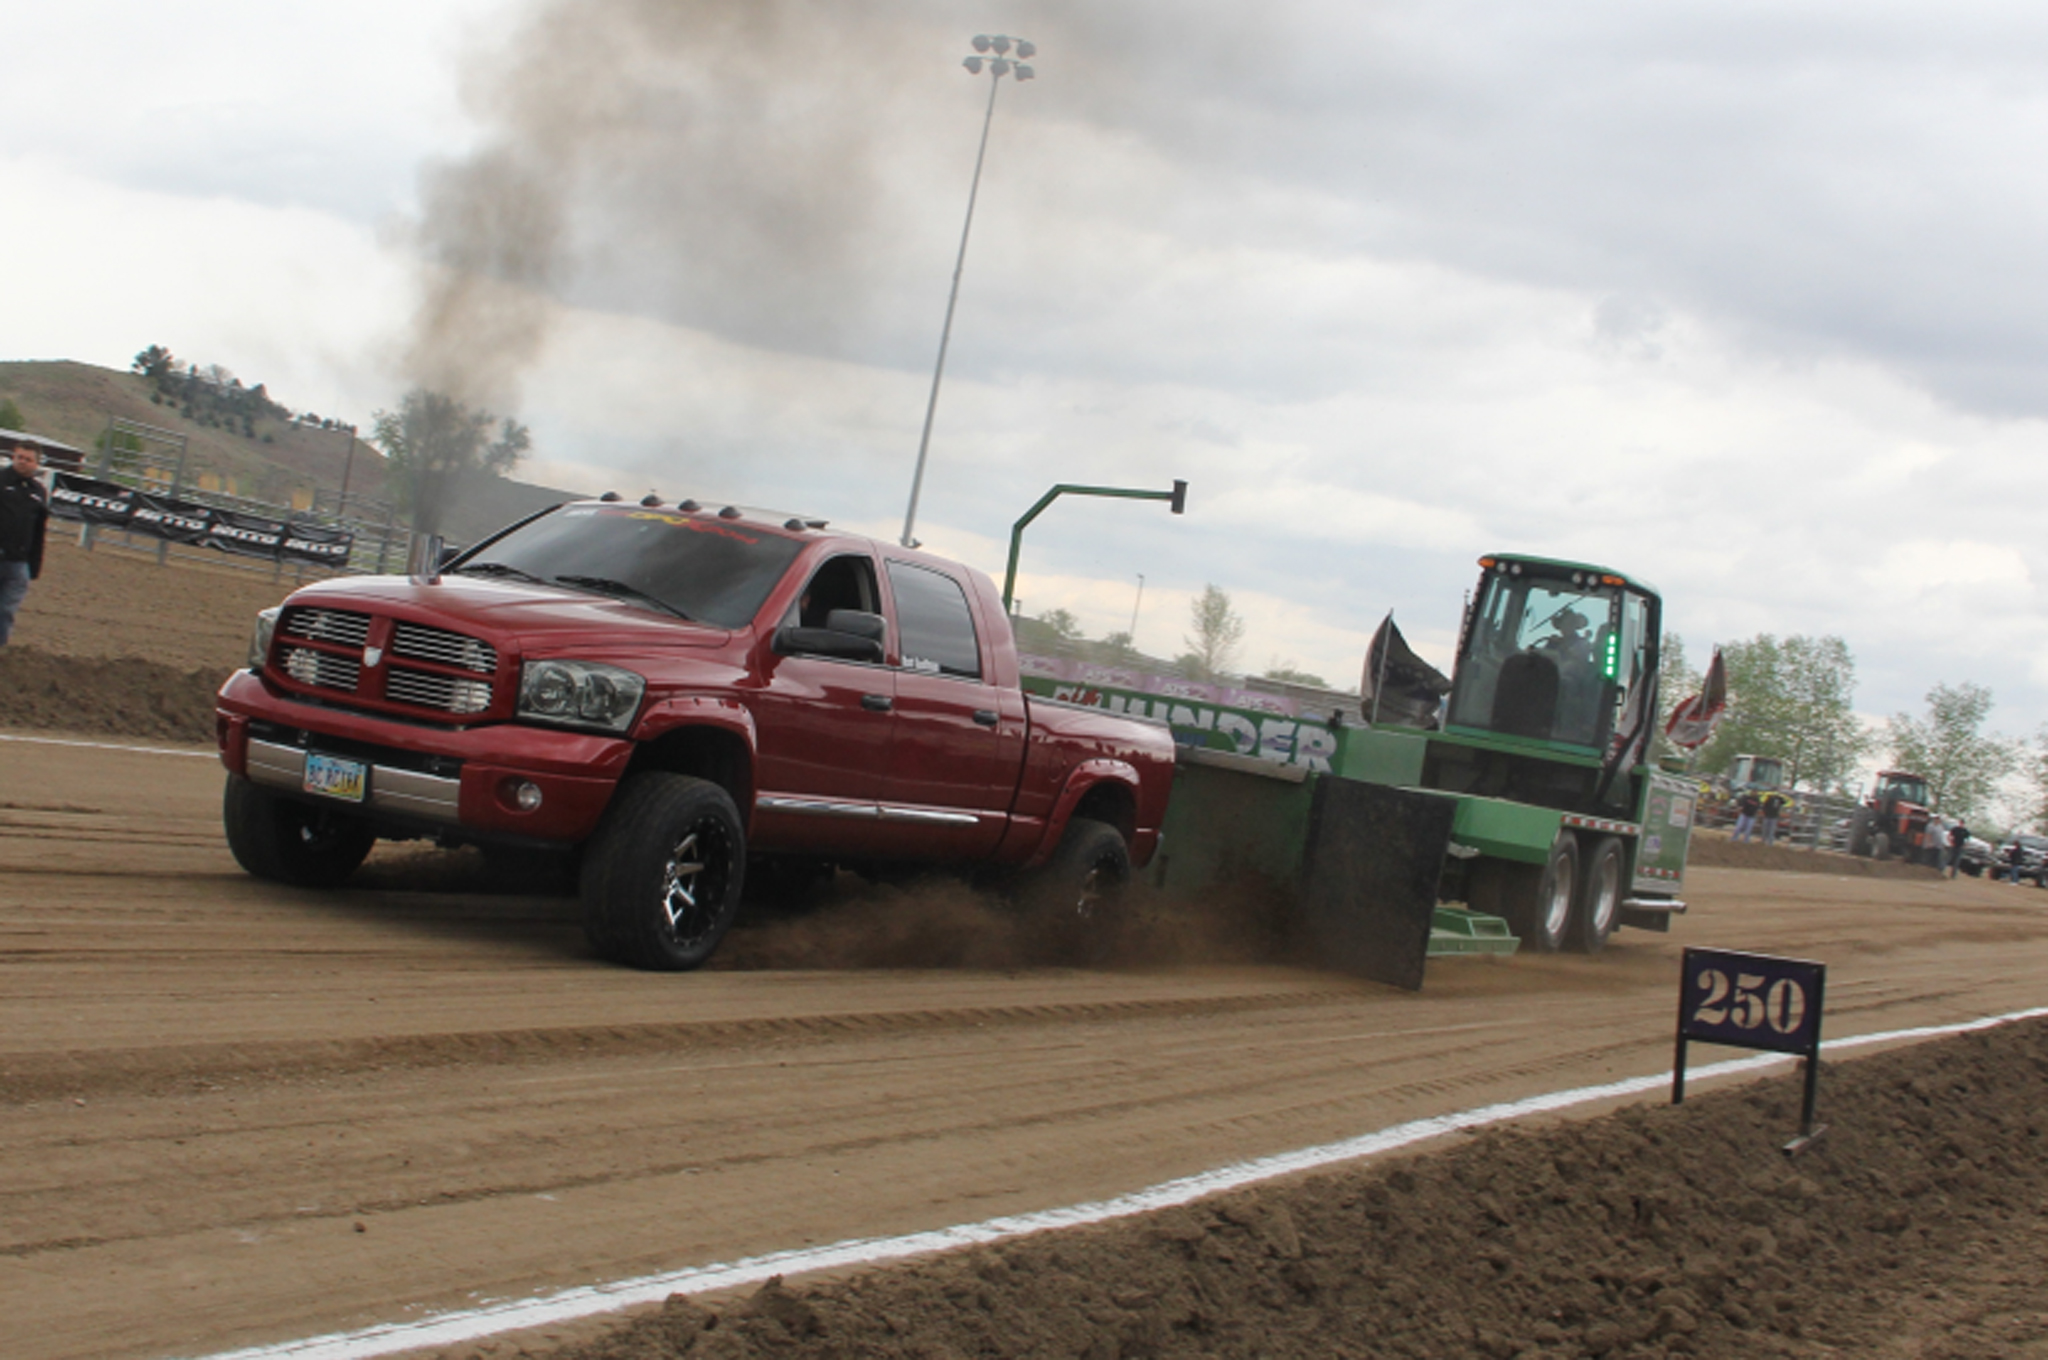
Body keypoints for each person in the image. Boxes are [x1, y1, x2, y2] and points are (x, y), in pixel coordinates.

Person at [0, 437, 49, 646]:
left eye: (28, 459)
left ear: (36, 463)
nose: (22, 461)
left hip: (19, 562)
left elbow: (39, 531)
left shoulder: (38, 492)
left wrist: (34, 565)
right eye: (19, 457)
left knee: (6, 611)